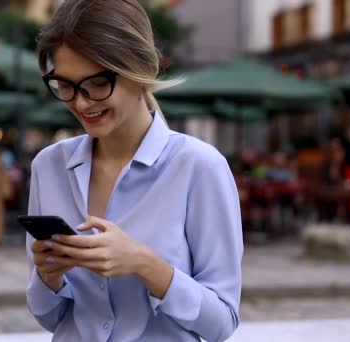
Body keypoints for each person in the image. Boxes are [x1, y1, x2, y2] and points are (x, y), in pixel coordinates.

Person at [25, 1, 243, 341]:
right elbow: (50, 318)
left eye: (97, 83)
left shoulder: (199, 167)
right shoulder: (48, 166)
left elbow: (222, 323)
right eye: (65, 85)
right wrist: (48, 276)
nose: (81, 103)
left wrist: (145, 264)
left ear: (141, 68)